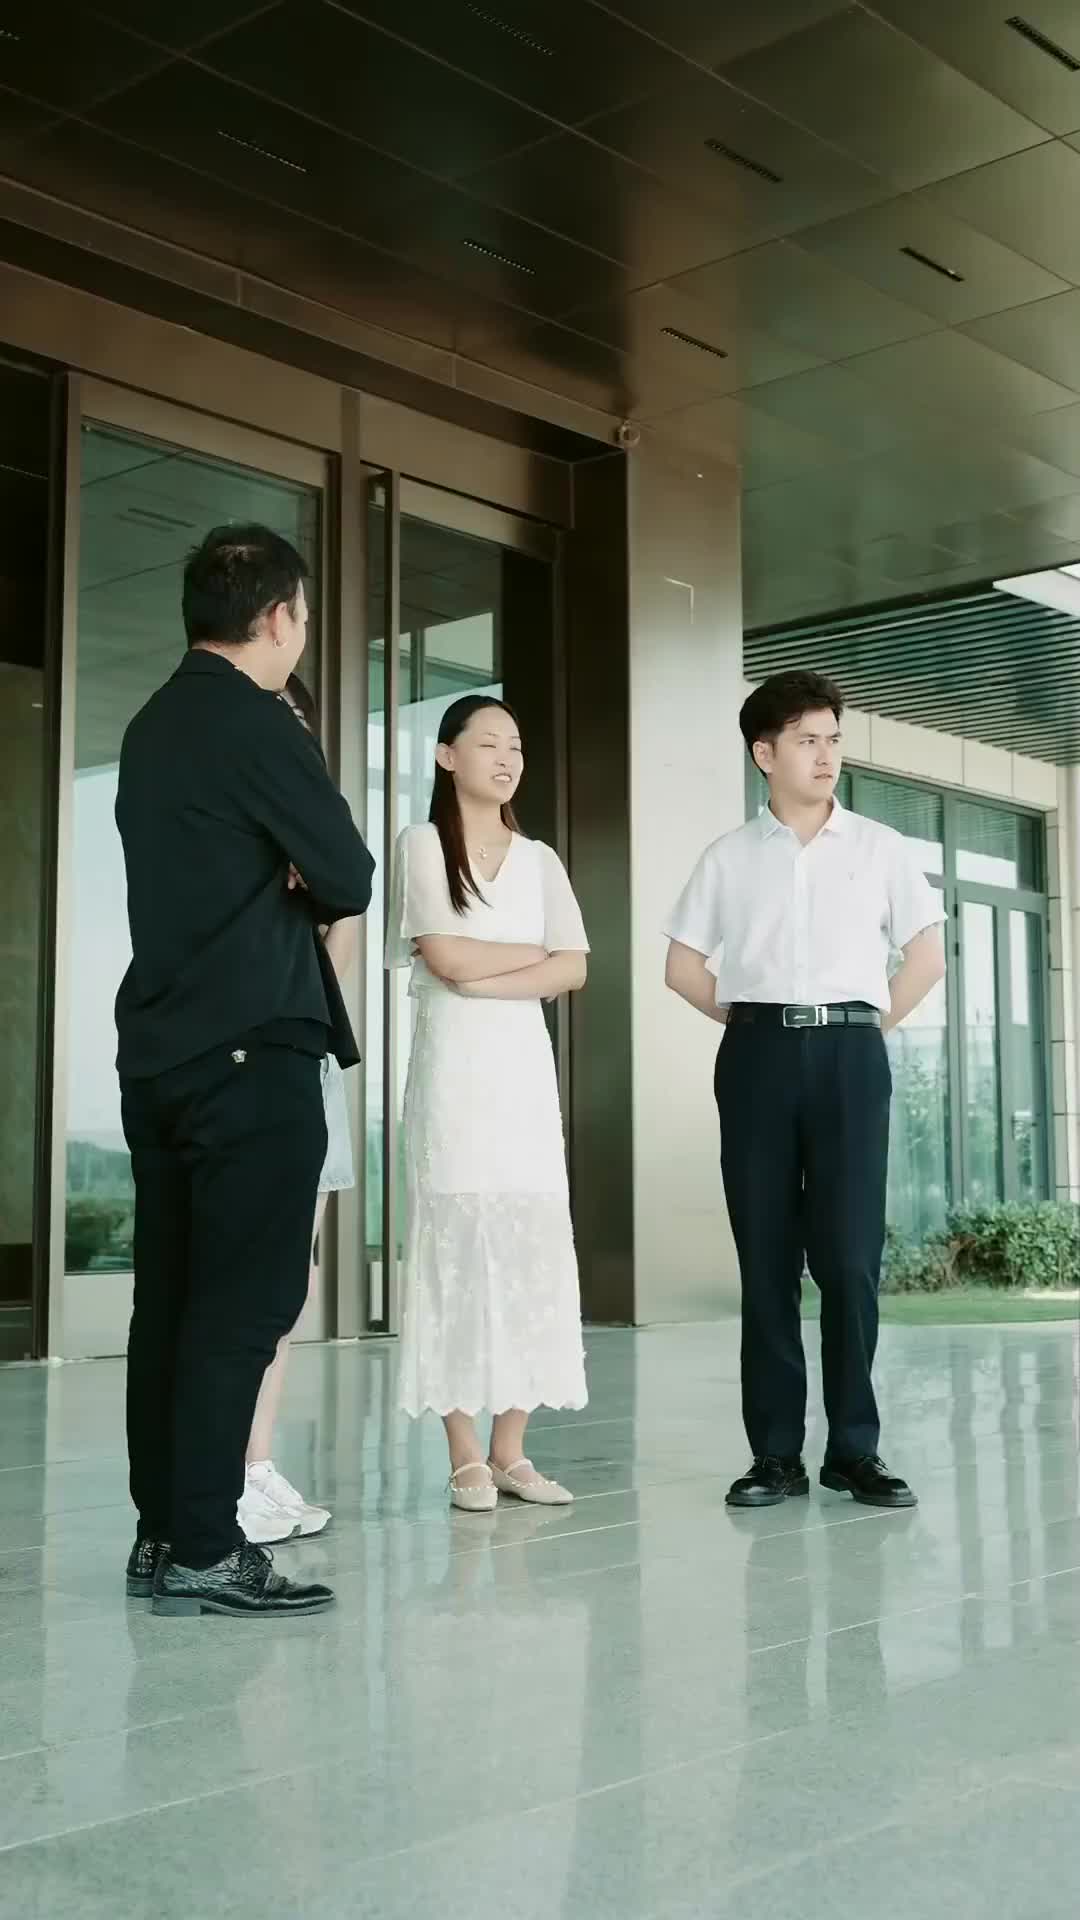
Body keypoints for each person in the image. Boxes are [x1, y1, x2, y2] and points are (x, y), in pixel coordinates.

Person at [117, 524, 374, 1618]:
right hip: (251, 1048)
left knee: (171, 1305)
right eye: (302, 617)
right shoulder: (257, 720)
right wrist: (295, 873)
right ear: (277, 618)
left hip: (161, 1053)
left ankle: (165, 1532)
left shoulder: (150, 725)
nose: (299, 634)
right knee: (242, 1304)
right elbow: (349, 873)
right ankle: (209, 1549)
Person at [664, 670, 946, 1512]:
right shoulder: (728, 857)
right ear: (765, 754)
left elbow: (926, 957)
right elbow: (681, 966)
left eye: (832, 739)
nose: (826, 755)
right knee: (766, 1259)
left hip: (853, 1057)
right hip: (756, 1058)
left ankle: (854, 1450)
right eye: (807, 741)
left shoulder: (880, 848)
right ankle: (774, 1456)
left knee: (851, 1261)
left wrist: (860, 1027)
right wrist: (755, 1021)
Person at [386, 695, 589, 1511]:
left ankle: (512, 1450)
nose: (507, 759)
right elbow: (443, 956)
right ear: (446, 755)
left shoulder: (540, 860)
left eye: (516, 746)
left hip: (522, 1080)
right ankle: (464, 1451)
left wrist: (488, 972)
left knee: (530, 1249)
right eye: (488, 744)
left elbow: (574, 966)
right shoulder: (421, 844)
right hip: (454, 1080)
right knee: (457, 1249)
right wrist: (524, 959)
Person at [238, 672, 358, 1546]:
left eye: (294, 717)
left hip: (304, 1048)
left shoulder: (317, 817)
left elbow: (342, 926)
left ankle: (256, 1463)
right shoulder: (228, 815)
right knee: (247, 1278)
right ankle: (230, 1473)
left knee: (292, 1278)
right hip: (241, 1055)